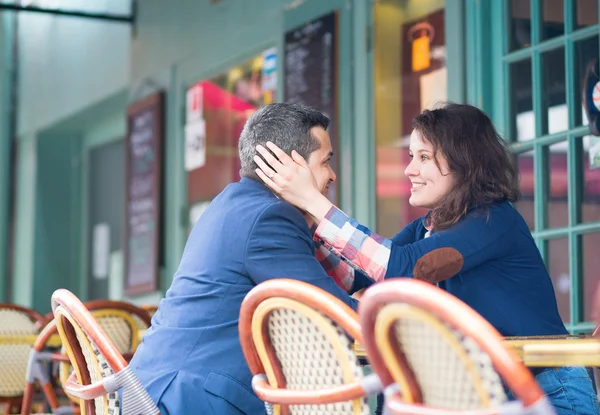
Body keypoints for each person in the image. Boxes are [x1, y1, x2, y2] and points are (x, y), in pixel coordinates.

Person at [254, 102, 599, 415]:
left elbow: (401, 268)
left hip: (551, 394)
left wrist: (315, 203)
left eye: (423, 157)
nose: (409, 171)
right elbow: (357, 275)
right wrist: (306, 217)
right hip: (495, 395)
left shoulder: (493, 219)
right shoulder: (426, 228)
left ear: (463, 161)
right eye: (410, 157)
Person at [129, 103, 367, 415]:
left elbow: (339, 282)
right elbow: (332, 314)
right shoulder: (269, 216)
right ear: (289, 165)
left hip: (151, 390)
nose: (333, 175)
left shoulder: (232, 204)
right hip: (188, 399)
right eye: (326, 162)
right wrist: (416, 324)